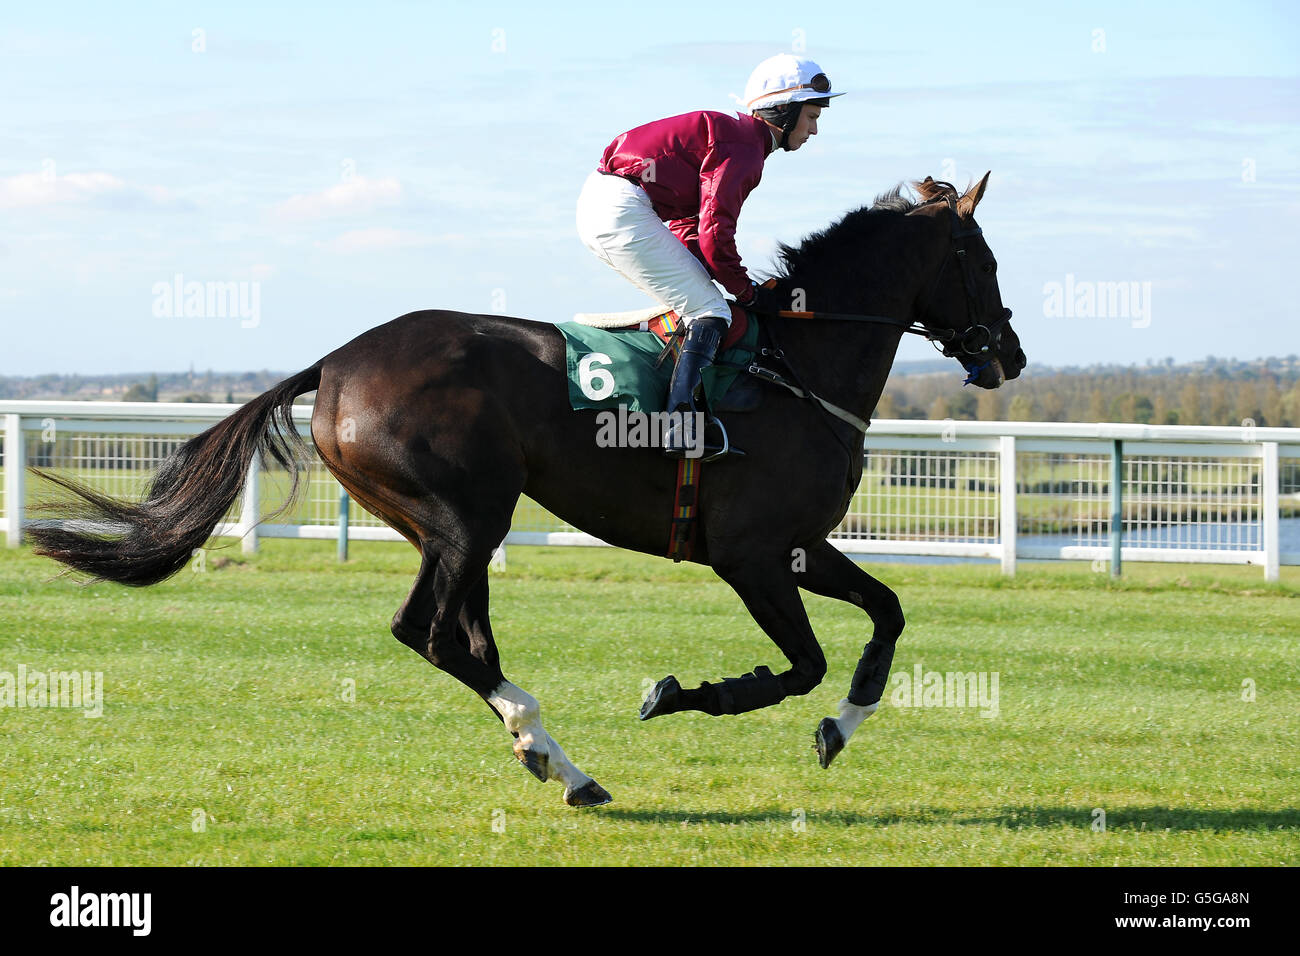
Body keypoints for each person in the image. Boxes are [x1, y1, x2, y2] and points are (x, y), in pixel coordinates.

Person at [576, 53, 844, 458]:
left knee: (702, 299)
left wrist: (726, 278)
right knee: (711, 311)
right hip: (621, 210)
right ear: (784, 112)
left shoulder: (740, 139)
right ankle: (679, 427)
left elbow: (690, 225)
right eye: (811, 117)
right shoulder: (745, 149)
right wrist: (749, 293)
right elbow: (716, 231)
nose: (815, 130)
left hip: (610, 205)